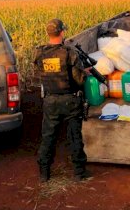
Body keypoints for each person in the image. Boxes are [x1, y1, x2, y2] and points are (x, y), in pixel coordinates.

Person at [34, 18, 91, 183]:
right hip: (70, 100)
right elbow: (79, 80)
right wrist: (85, 72)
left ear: (48, 33)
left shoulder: (40, 53)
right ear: (62, 32)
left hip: (50, 100)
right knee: (74, 136)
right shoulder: (69, 53)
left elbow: (39, 74)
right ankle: (79, 173)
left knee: (48, 137)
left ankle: (44, 173)